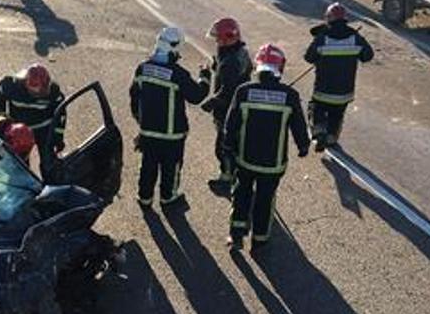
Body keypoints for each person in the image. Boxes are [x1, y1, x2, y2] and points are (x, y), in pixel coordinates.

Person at [223, 43, 310, 251]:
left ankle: (236, 236)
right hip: (273, 164)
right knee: (265, 200)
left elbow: (231, 124)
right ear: (280, 68)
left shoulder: (244, 91)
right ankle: (260, 240)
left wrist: (228, 147)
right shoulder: (289, 95)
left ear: (257, 67)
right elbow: (299, 125)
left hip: (245, 159)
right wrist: (303, 146)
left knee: (241, 195)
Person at [130, 27, 211, 207]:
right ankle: (168, 197)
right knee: (171, 168)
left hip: (148, 132)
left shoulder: (142, 69)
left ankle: (144, 198)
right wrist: (205, 76)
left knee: (148, 166)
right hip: (172, 135)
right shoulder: (178, 74)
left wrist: (141, 122)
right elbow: (196, 96)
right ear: (174, 49)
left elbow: (134, 98)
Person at [304, 2, 373, 152]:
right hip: (344, 92)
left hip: (322, 91)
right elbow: (368, 56)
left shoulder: (323, 38)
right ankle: (331, 137)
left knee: (316, 109)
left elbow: (308, 57)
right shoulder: (355, 38)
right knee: (337, 114)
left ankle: (319, 132)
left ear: (329, 18)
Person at [200, 18, 251, 191]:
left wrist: (211, 102)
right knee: (234, 143)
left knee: (223, 146)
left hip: (227, 111)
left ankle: (227, 176)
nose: (216, 41)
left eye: (218, 38)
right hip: (239, 107)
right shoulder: (240, 53)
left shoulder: (229, 62)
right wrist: (216, 67)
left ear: (226, 38)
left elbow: (228, 89)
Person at [0, 63, 66, 156]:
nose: (40, 92)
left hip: (44, 130)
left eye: (43, 89)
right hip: (20, 133)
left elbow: (61, 114)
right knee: (19, 164)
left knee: (49, 163)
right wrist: (3, 125)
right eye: (36, 90)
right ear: (25, 83)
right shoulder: (11, 87)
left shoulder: (54, 92)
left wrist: (58, 137)